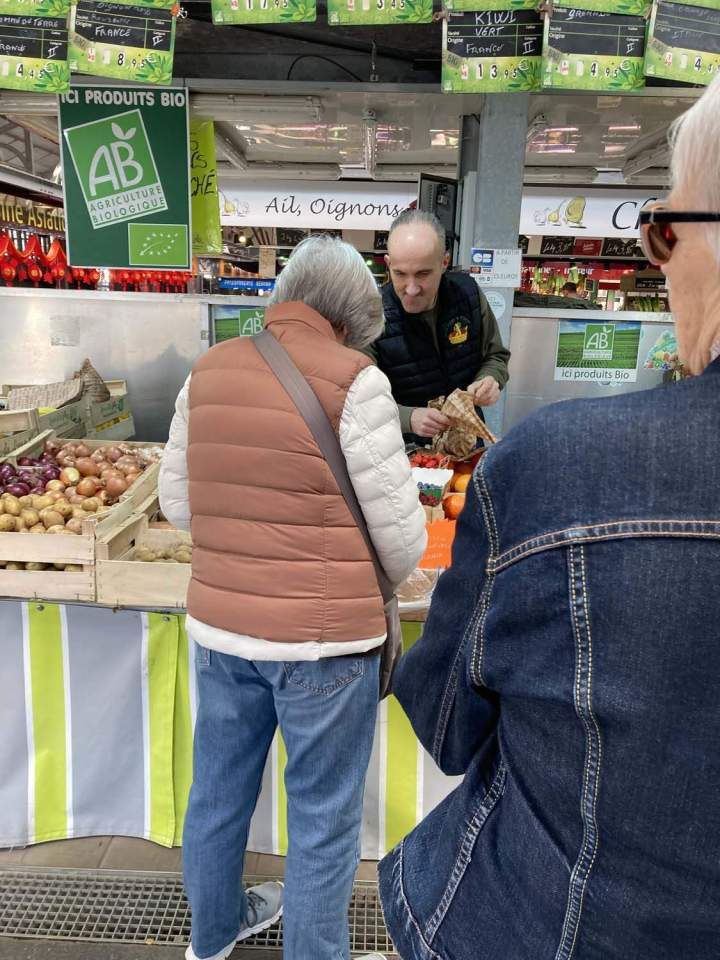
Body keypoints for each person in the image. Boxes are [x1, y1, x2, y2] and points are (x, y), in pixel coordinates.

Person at [377, 76, 720, 960]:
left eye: (662, 229)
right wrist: (398, 415)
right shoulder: (367, 319)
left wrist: (483, 381)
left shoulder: (555, 470)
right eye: (401, 274)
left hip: (554, 929)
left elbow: (448, 720)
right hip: (405, 456)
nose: (412, 287)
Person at [159, 235, 427, 960]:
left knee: (216, 794)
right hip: (323, 647)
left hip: (221, 633)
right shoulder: (357, 381)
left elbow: (177, 506)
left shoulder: (205, 373)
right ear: (345, 322)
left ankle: (210, 940)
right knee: (321, 818)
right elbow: (402, 547)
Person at [366, 209, 510, 442]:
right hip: (401, 453)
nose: (411, 289)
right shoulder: (370, 315)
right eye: (400, 274)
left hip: (466, 447)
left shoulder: (468, 295)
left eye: (423, 274)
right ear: (388, 264)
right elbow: (356, 399)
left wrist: (491, 379)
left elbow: (495, 356)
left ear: (444, 262)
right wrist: (407, 417)